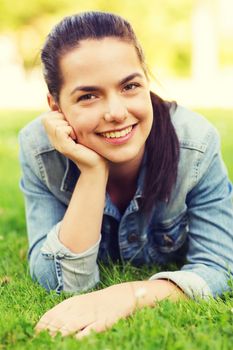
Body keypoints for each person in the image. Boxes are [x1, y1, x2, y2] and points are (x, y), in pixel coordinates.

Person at [19, 11, 233, 338]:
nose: (117, 113)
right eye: (88, 96)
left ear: (146, 82)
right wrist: (92, 171)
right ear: (56, 107)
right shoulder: (39, 149)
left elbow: (219, 267)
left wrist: (129, 295)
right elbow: (57, 282)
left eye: (130, 86)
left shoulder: (196, 145)